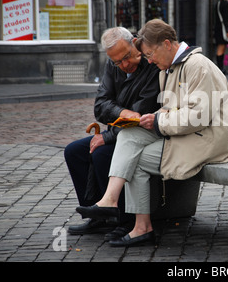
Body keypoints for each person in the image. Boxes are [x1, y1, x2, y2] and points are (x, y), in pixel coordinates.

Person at [76, 19, 228, 247]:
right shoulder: (167, 69)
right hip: (182, 133)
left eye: (150, 54)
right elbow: (172, 109)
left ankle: (141, 226)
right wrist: (154, 118)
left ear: (167, 44)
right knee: (130, 135)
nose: (148, 60)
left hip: (205, 140)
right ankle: (111, 201)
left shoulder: (198, 66)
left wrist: (158, 119)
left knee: (136, 157)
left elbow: (198, 116)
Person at [64, 27, 160, 239]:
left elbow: (141, 117)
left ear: (134, 43)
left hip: (141, 135)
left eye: (126, 57)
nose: (124, 65)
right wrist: (122, 111)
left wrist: (106, 135)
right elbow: (100, 106)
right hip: (119, 131)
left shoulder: (152, 65)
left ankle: (125, 221)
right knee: (74, 151)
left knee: (101, 153)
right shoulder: (113, 62)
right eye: (118, 62)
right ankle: (98, 215)